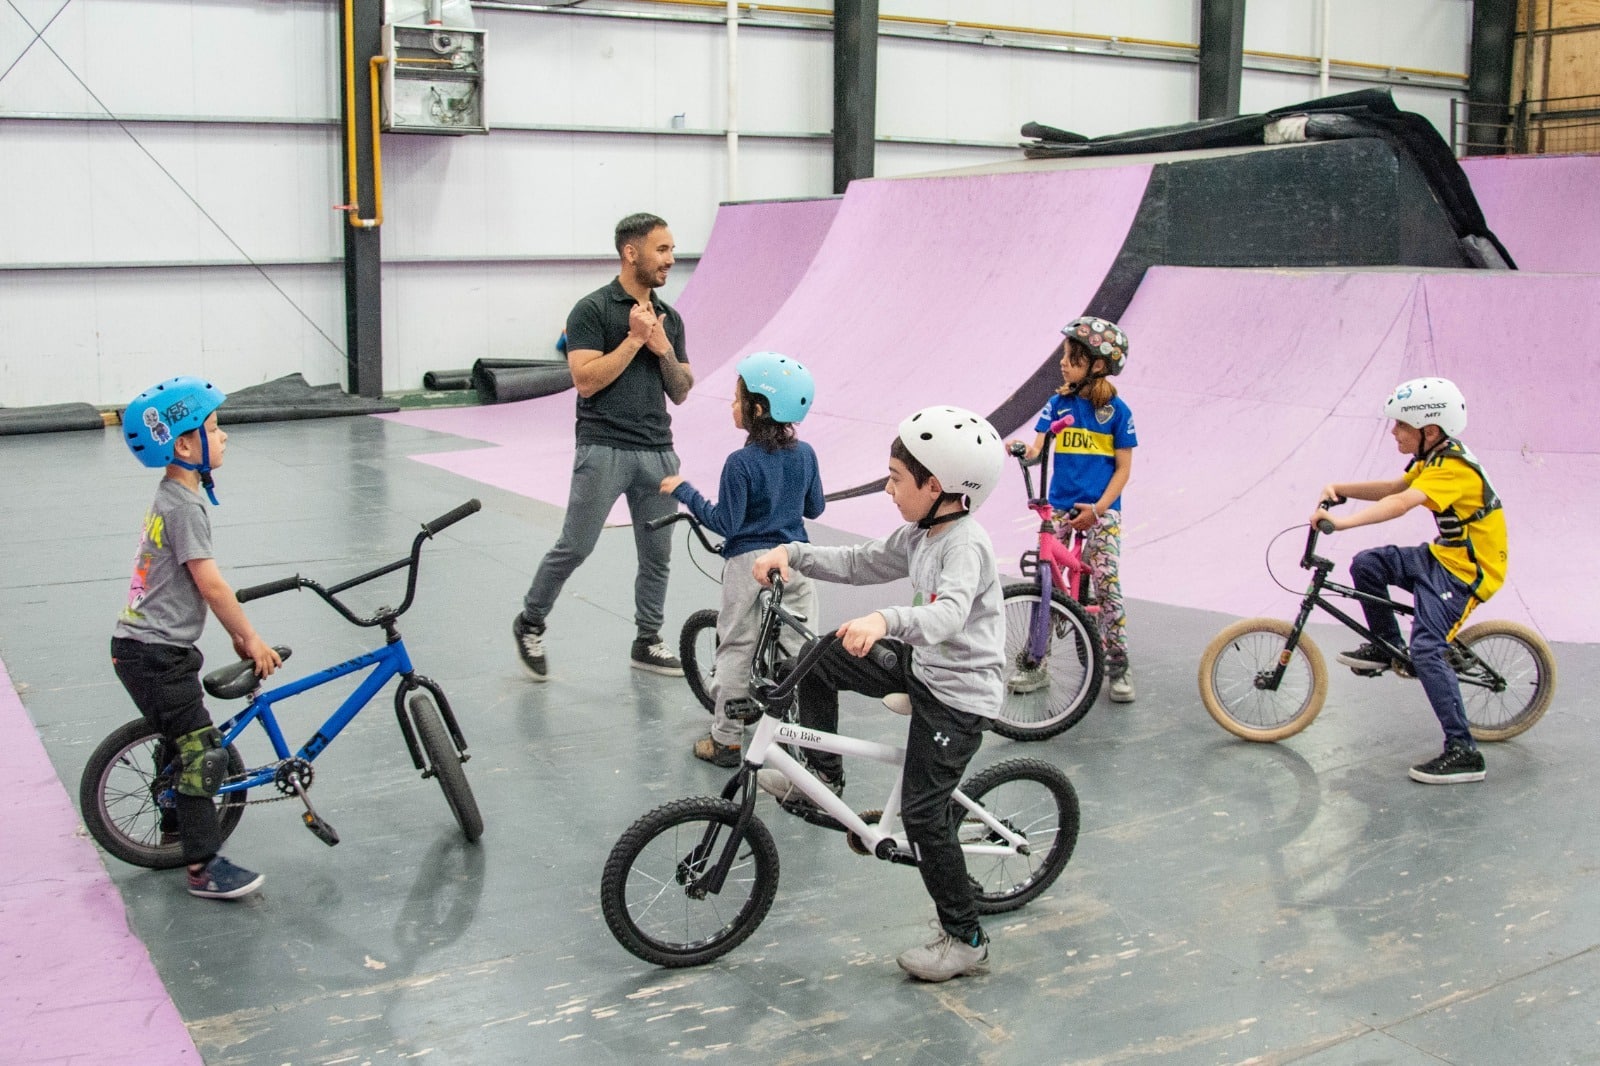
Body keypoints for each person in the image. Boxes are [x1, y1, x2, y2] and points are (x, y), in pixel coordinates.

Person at [748, 405, 1007, 983]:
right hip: (924, 666)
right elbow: (862, 561)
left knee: (923, 816)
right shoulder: (922, 532)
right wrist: (793, 553)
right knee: (819, 657)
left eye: (896, 478)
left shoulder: (965, 545)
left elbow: (948, 615)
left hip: (959, 696)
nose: (888, 489)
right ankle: (822, 779)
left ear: (935, 486)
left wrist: (885, 620)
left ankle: (966, 939)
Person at [111, 376, 282, 900]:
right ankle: (202, 867)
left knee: (177, 740)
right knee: (201, 753)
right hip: (156, 654)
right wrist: (249, 637)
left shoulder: (173, 497)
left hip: (146, 649)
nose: (224, 435)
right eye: (213, 428)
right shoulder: (184, 507)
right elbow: (211, 584)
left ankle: (174, 834)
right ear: (184, 446)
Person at [513, 213, 696, 681]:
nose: (670, 259)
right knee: (575, 545)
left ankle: (647, 639)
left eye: (672, 250)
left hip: (658, 450)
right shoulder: (591, 310)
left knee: (657, 556)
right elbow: (585, 381)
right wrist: (634, 340)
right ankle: (530, 621)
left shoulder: (670, 318)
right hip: (603, 448)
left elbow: (681, 390)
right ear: (631, 253)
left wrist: (662, 347)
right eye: (661, 250)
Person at [1312, 377, 1507, 785]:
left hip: (1467, 572)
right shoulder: (1433, 456)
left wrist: (1342, 523)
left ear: (1429, 430)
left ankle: (1465, 752)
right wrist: (1341, 489)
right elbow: (1395, 486)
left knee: (1428, 649)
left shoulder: (1452, 469)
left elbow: (1401, 503)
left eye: (1401, 424)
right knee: (1368, 565)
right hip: (1442, 556)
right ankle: (1388, 646)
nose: (1393, 431)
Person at [660, 352, 825, 768]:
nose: (732, 405)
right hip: (796, 561)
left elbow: (726, 523)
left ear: (758, 409)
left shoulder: (740, 463)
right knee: (801, 651)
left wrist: (685, 492)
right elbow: (815, 508)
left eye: (737, 399)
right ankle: (803, 743)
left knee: (736, 647)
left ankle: (726, 741)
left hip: (750, 566)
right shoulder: (806, 454)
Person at [1007, 316, 1139, 701]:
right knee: (1044, 581)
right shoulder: (1057, 404)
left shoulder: (1117, 412)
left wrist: (1099, 509)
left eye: (1072, 358)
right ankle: (1036, 661)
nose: (1063, 363)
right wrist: (1023, 450)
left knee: (1107, 581)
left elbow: (1123, 469)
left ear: (1097, 365)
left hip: (1101, 511)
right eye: (1064, 356)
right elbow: (1037, 451)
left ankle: (1118, 663)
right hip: (1061, 509)